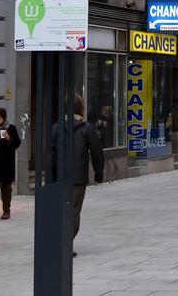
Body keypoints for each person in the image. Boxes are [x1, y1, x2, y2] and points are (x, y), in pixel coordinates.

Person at [51, 94, 104, 254]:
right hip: (78, 176)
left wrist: (51, 175)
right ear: (81, 107)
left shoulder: (56, 127)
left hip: (59, 175)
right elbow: (97, 152)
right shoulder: (87, 128)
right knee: (74, 211)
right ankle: (65, 244)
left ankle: (59, 241)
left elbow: (50, 153)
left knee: (61, 210)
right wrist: (98, 173)